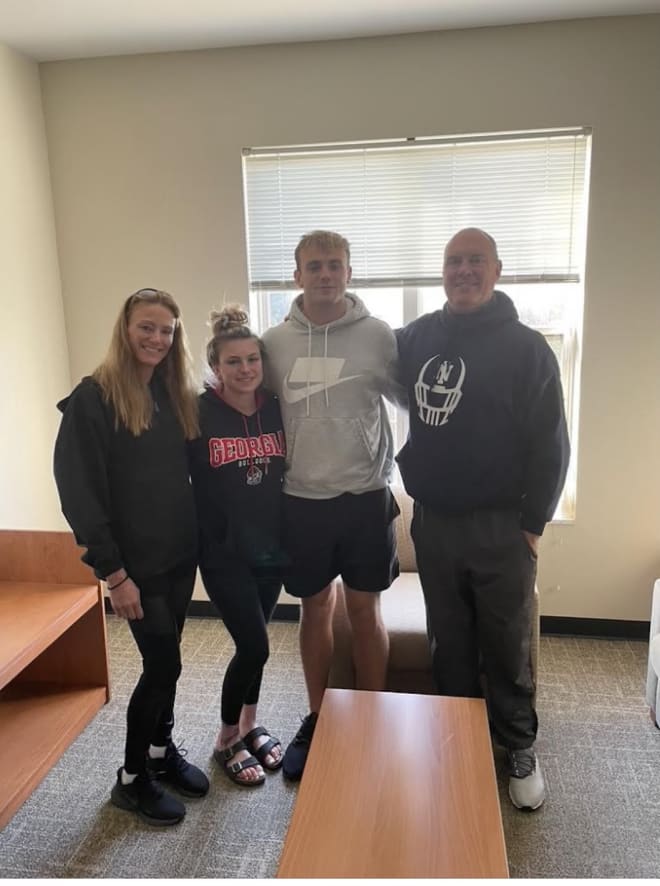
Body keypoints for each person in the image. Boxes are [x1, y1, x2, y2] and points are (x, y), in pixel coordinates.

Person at [395, 228, 570, 811]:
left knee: (506, 639)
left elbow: (552, 443)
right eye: (453, 261)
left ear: (497, 270)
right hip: (436, 521)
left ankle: (518, 745)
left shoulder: (527, 349)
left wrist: (533, 524)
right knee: (449, 642)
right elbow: (360, 361)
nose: (463, 270)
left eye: (476, 261)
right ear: (441, 272)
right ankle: (458, 740)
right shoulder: (415, 338)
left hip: (503, 525)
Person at [53, 287, 209, 826]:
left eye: (167, 330)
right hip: (133, 565)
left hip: (177, 554)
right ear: (125, 328)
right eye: (147, 326)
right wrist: (114, 575)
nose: (157, 338)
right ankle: (130, 777)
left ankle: (162, 754)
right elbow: (80, 494)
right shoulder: (92, 399)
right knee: (162, 663)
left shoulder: (172, 394)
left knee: (170, 662)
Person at [261, 230, 405, 780]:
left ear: (349, 272)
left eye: (335, 265)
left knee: (366, 611)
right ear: (297, 276)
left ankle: (372, 712)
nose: (325, 274)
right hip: (302, 500)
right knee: (314, 608)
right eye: (314, 266)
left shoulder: (379, 336)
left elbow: (412, 402)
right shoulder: (273, 342)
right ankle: (319, 716)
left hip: (365, 497)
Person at [188, 305, 287, 787]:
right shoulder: (199, 411)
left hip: (272, 548)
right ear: (216, 367)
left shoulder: (276, 406)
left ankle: (251, 724)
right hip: (223, 550)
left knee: (258, 647)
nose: (245, 369)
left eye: (252, 359)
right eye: (234, 362)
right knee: (254, 643)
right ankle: (226, 737)